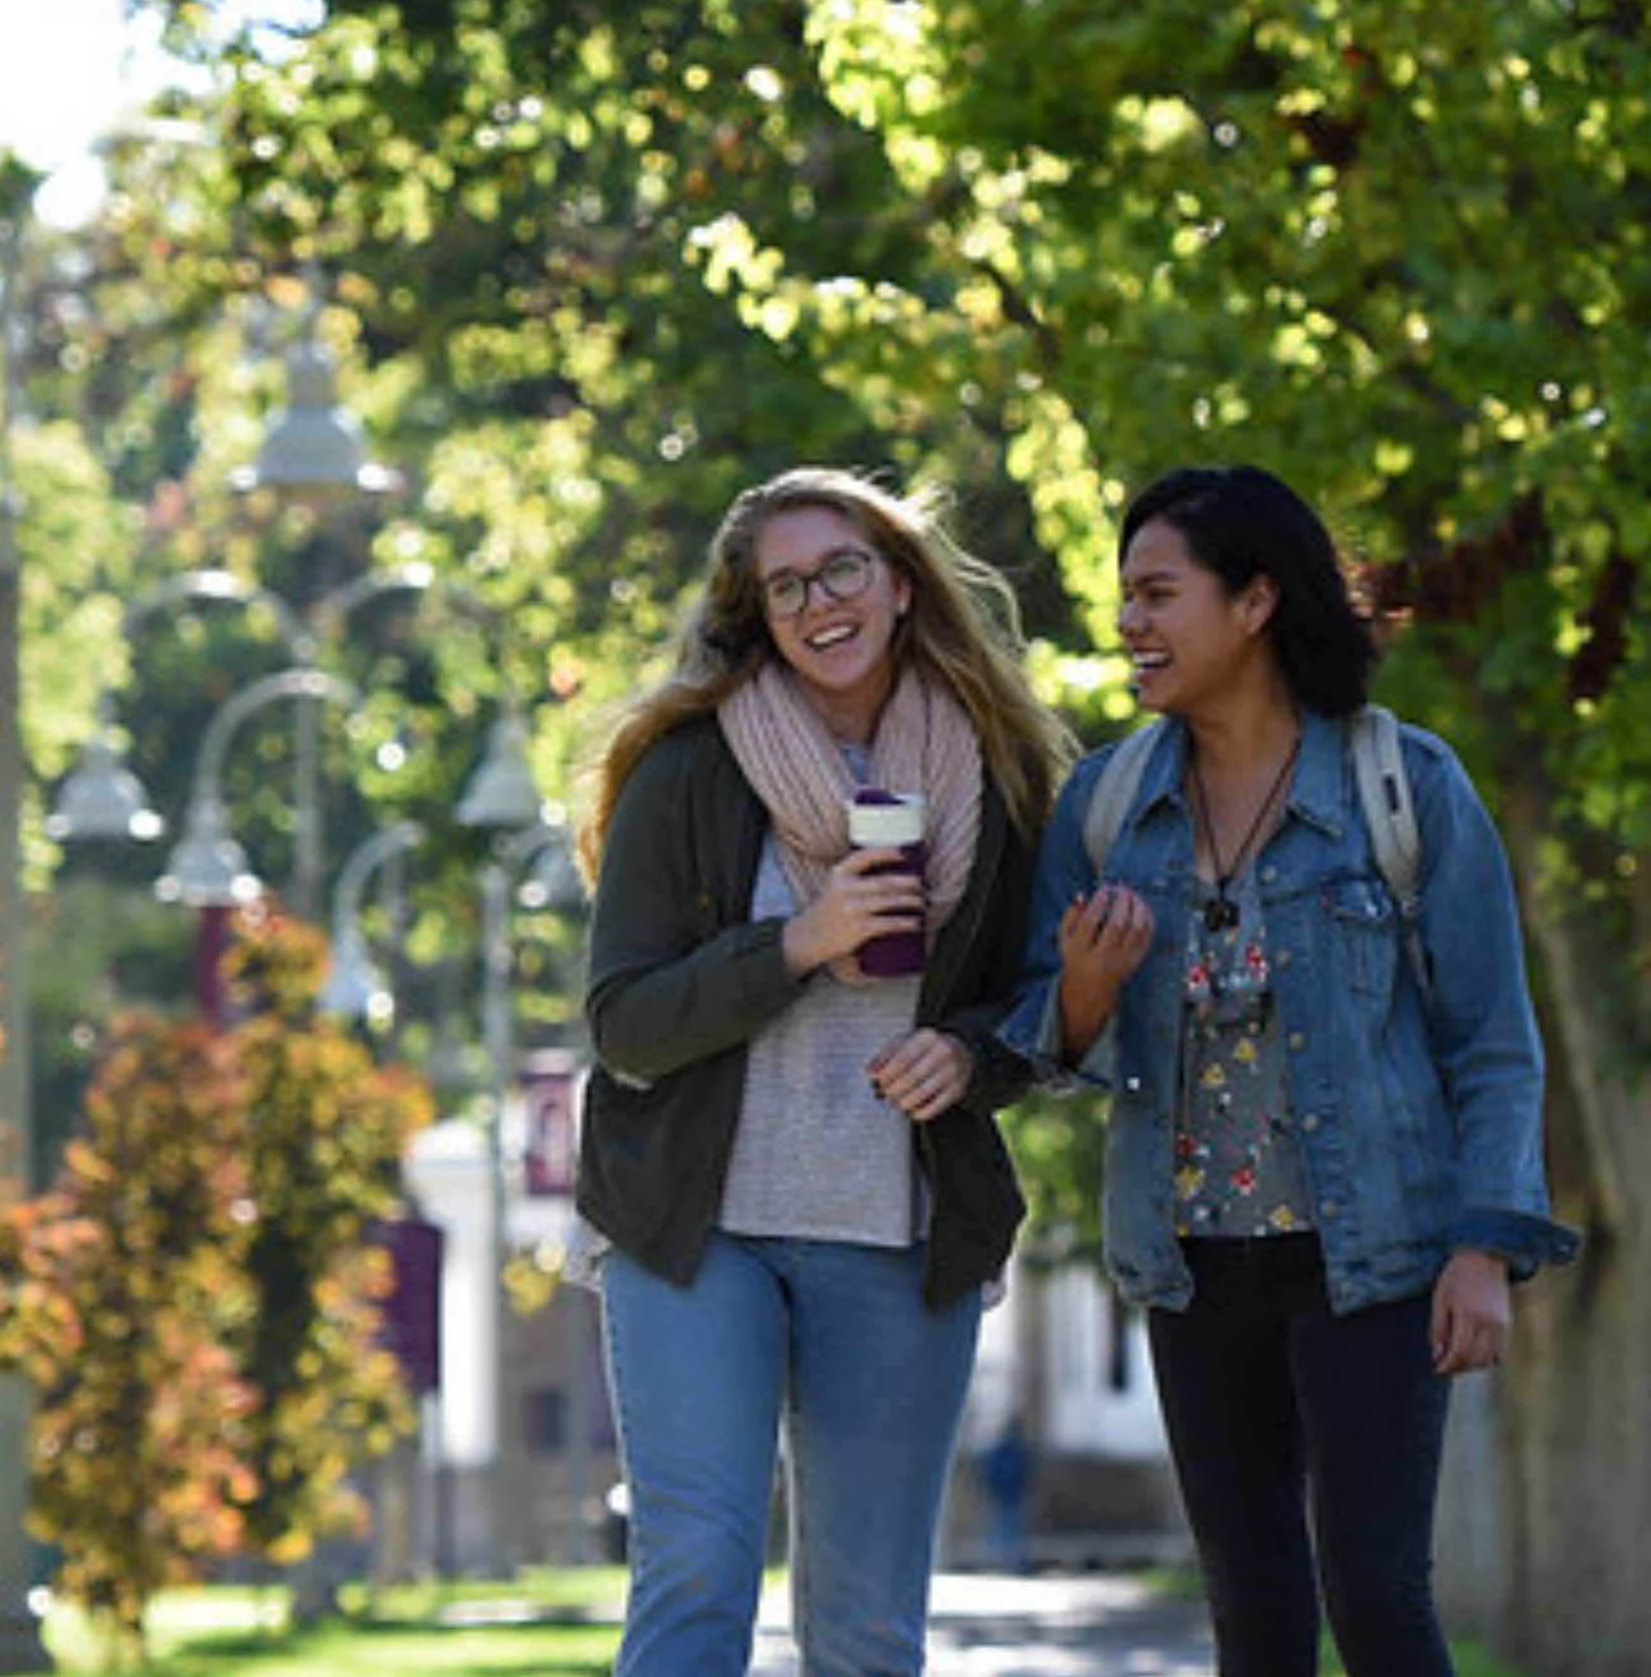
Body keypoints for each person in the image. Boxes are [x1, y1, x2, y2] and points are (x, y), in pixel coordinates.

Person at [1006, 464, 1578, 1677]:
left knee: (1375, 1597)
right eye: (1125, 598)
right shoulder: (1108, 806)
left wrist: (1485, 1247)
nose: (1130, 625)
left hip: (1374, 1257)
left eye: (1160, 594)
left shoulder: (1404, 786)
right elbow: (1036, 1039)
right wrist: (1083, 992)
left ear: (1256, 601)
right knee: (1255, 1619)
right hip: (1193, 1264)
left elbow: (1491, 1042)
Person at [574, 466, 1079, 1677]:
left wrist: (966, 1055)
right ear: (759, 615)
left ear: (900, 587)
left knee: (866, 1623)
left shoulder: (994, 775)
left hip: (898, 1231)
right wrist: (797, 943)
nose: (817, 603)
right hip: (700, 1230)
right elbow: (624, 1025)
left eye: (841, 570)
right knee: (697, 1571)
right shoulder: (689, 769)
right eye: (785, 587)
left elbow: (1037, 1004)